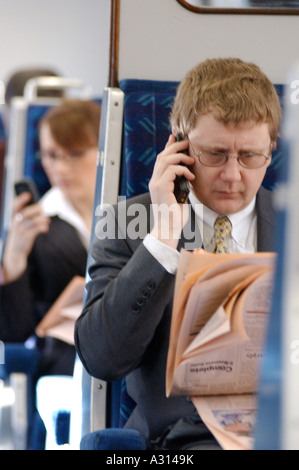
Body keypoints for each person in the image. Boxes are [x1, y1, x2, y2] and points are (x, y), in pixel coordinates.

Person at [75, 58, 282, 449]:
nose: (232, 175)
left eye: (250, 156)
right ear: (179, 145)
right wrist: (164, 239)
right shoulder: (127, 221)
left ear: (271, 151)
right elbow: (102, 359)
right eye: (215, 154)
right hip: (175, 442)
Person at [0, 99, 101, 377]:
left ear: (104, 151)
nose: (60, 167)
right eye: (51, 155)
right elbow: (13, 331)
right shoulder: (35, 224)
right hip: (65, 360)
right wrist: (14, 260)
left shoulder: (132, 212)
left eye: (75, 153)